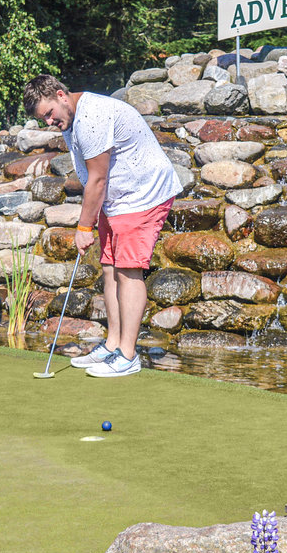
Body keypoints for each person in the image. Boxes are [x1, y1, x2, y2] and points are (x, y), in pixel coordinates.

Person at [23, 75, 182, 377]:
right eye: (42, 118)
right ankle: (113, 345)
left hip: (142, 194)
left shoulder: (91, 118)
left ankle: (128, 355)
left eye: (49, 114)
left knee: (127, 270)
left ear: (60, 95)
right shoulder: (70, 117)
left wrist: (84, 227)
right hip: (117, 197)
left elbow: (97, 178)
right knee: (109, 268)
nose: (48, 122)